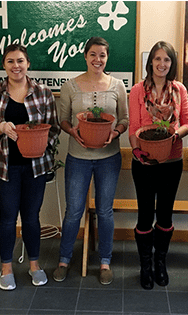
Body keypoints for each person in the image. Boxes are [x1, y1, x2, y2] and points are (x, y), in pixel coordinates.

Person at [0, 44, 60, 290]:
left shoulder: (43, 92)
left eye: (21, 61)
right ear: (3, 65)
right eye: (11, 61)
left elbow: (53, 128)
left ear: (28, 64)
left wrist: (41, 144)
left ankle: (34, 265)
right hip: (5, 165)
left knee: (32, 218)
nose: (16, 66)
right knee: (7, 217)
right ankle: (6, 268)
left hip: (35, 166)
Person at [54, 37, 128, 285]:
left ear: (107, 58)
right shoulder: (70, 86)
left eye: (103, 55)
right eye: (93, 54)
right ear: (85, 56)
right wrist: (72, 131)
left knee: (105, 211)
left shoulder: (117, 85)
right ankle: (64, 259)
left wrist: (115, 133)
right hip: (78, 157)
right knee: (74, 211)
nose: (98, 60)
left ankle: (105, 261)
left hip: (109, 158)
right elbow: (63, 120)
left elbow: (124, 120)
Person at [128, 41, 188, 290]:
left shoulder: (179, 90)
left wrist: (175, 135)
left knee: (165, 215)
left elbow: (186, 122)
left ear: (172, 64)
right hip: (143, 162)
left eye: (167, 60)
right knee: (145, 215)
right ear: (150, 62)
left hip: (172, 161)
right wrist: (136, 149)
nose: (162, 64)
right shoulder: (136, 91)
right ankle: (145, 266)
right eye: (157, 59)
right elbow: (134, 128)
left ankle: (160, 263)